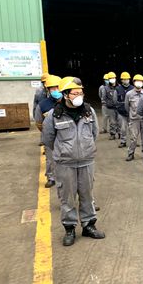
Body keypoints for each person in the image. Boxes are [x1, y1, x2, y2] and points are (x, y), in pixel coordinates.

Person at [42, 76, 105, 247]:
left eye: (80, 93)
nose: (79, 96)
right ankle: (69, 228)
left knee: (87, 195)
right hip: (65, 164)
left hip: (86, 161)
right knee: (67, 198)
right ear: (65, 95)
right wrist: (65, 151)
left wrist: (85, 150)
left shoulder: (88, 111)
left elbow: (94, 133)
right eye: (75, 93)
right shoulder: (54, 115)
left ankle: (89, 225)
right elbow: (48, 139)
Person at [34, 74, 63, 188]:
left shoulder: (67, 103)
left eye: (57, 87)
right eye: (52, 88)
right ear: (48, 90)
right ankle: (51, 178)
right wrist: (47, 134)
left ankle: (65, 175)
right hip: (50, 137)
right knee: (50, 159)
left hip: (65, 136)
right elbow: (39, 123)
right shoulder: (42, 105)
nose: (55, 90)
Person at [124, 74, 143, 161]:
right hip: (134, 120)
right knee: (133, 138)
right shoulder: (129, 94)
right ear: (134, 82)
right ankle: (131, 153)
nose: (139, 83)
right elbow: (126, 107)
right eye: (137, 81)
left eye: (140, 81)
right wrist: (132, 115)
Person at [113, 72, 133, 148]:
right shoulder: (118, 89)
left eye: (127, 79)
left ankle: (133, 141)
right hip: (121, 113)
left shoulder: (132, 88)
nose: (126, 80)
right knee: (123, 128)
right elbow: (115, 100)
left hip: (131, 112)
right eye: (124, 79)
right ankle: (123, 141)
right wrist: (120, 107)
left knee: (132, 129)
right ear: (121, 80)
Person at [102, 71, 119, 139]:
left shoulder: (119, 87)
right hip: (110, 107)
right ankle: (113, 134)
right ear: (108, 79)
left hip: (118, 107)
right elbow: (103, 97)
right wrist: (108, 103)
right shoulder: (105, 88)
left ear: (115, 78)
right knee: (112, 122)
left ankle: (120, 133)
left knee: (119, 121)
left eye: (113, 78)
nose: (112, 79)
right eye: (110, 78)